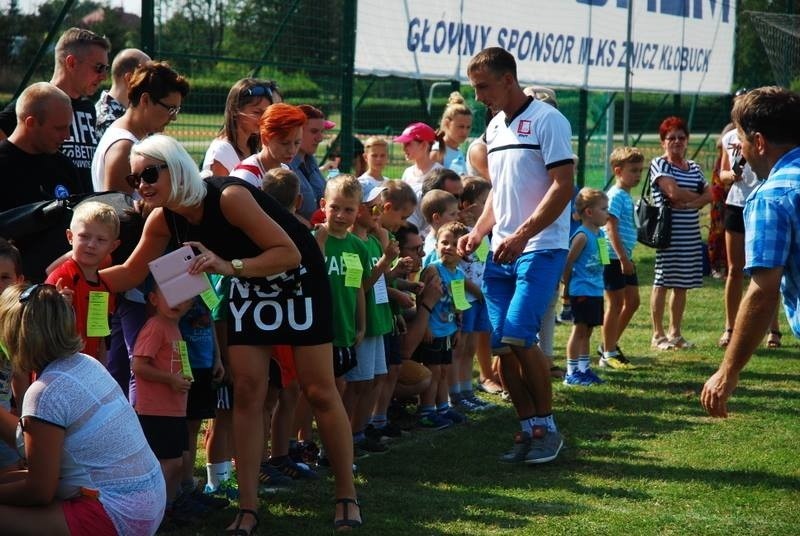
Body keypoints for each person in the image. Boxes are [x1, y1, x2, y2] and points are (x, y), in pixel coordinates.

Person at [99, 132, 360, 533]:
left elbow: (289, 252)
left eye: (150, 173)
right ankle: (249, 506)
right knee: (248, 391)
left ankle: (346, 495)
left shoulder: (228, 197)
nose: (142, 185)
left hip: (298, 280)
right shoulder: (163, 218)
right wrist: (72, 270)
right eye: (135, 179)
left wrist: (228, 266)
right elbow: (130, 274)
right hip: (249, 286)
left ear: (176, 167)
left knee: (319, 389)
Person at [460, 47, 574, 464]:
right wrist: (477, 232)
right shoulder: (493, 128)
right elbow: (501, 195)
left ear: (508, 79)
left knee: (519, 335)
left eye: (483, 87)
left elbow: (563, 186)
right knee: (500, 347)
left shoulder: (549, 120)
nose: (478, 96)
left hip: (540, 248)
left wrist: (524, 235)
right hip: (501, 251)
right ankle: (528, 429)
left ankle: (549, 428)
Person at [0, 283, 165, 535]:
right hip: (147, 499)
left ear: (14, 334)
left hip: (118, 514)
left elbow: (39, 491)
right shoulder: (85, 363)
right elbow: (35, 445)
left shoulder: (45, 391)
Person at [701, 86, 800, 418]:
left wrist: (727, 371)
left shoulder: (772, 196)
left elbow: (763, 293)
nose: (739, 149)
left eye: (741, 139)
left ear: (759, 143)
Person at [0, 28, 111, 193]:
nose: (104, 77)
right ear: (71, 62)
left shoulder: (88, 108)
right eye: (99, 68)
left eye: (106, 69)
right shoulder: (38, 101)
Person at [0, 83, 84, 282]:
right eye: (59, 128)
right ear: (30, 122)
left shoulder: (64, 166)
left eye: (68, 127)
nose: (67, 136)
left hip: (59, 289)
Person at [718, 90, 782, 349]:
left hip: (762, 202)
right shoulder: (729, 138)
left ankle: (773, 330)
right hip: (736, 204)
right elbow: (722, 172)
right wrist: (729, 177)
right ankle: (730, 327)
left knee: (768, 269)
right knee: (734, 269)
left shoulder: (762, 136)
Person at [130, 285, 195, 527]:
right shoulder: (156, 326)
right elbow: (138, 366)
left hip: (174, 408)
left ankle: (165, 509)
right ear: (154, 299)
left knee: (177, 462)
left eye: (184, 296)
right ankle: (152, 512)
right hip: (155, 410)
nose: (178, 301)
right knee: (168, 464)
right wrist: (171, 380)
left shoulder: (173, 326)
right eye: (170, 294)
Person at [648, 116, 711, 350]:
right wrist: (697, 199)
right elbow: (672, 193)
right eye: (671, 138)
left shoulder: (694, 167)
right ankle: (658, 334)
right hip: (668, 233)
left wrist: (690, 202)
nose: (676, 142)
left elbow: (711, 194)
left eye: (681, 137)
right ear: (663, 142)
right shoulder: (660, 164)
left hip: (689, 233)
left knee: (682, 283)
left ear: (687, 141)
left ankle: (675, 333)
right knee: (662, 281)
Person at [344, 179, 397, 453]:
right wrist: (386, 261)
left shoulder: (375, 241)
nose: (378, 210)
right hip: (362, 322)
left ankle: (359, 432)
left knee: (375, 379)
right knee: (358, 383)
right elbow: (361, 285)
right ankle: (348, 436)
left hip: (379, 319)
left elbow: (380, 282)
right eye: (372, 206)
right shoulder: (354, 244)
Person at [92, 61, 189, 193]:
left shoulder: (130, 139)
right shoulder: (124, 147)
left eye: (176, 110)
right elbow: (118, 210)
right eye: (171, 109)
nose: (174, 117)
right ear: (145, 100)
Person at [45, 201, 120, 361]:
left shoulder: (103, 288)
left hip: (86, 370)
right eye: (84, 236)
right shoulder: (61, 278)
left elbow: (100, 338)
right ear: (70, 237)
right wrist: (57, 307)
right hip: (58, 367)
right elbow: (40, 328)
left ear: (113, 246)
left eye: (101, 240)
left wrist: (101, 374)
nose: (91, 245)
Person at [600, 147, 643, 368]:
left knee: (633, 302)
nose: (637, 175)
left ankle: (609, 343)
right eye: (633, 171)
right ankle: (608, 353)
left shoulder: (626, 195)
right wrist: (622, 259)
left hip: (624, 257)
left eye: (639, 171)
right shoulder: (615, 196)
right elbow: (611, 230)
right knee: (615, 303)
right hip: (612, 256)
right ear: (618, 171)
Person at [562, 188, 609, 386]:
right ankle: (571, 372)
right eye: (604, 209)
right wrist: (566, 286)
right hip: (581, 290)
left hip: (595, 290)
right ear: (589, 212)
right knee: (579, 330)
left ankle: (584, 369)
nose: (608, 213)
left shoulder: (600, 235)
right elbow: (568, 262)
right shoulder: (582, 236)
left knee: (588, 331)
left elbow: (603, 262)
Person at [202, 79, 282, 177]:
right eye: (256, 112)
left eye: (265, 113)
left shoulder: (252, 147)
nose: (263, 118)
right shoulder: (221, 152)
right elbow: (221, 191)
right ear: (235, 110)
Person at [0, 240, 25, 474]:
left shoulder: (17, 321)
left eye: (4, 277)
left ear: (19, 281)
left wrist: (26, 414)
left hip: (6, 419)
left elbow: (19, 372)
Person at [290, 104, 336, 224]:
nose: (320, 138)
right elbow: (280, 210)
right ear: (297, 131)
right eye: (314, 131)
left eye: (322, 131)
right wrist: (309, 228)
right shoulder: (284, 166)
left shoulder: (311, 161)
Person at [395, 121, 443, 235]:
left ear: (424, 145)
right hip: (409, 235)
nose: (404, 148)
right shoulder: (407, 173)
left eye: (408, 144)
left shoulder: (440, 173)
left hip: (433, 236)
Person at [95, 48, 151, 137]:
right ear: (130, 79)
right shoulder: (109, 120)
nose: (152, 83)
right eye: (147, 77)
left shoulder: (126, 114)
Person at [430, 92, 473, 174]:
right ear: (447, 123)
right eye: (460, 126)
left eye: (468, 127)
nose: (465, 131)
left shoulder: (458, 151)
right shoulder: (437, 152)